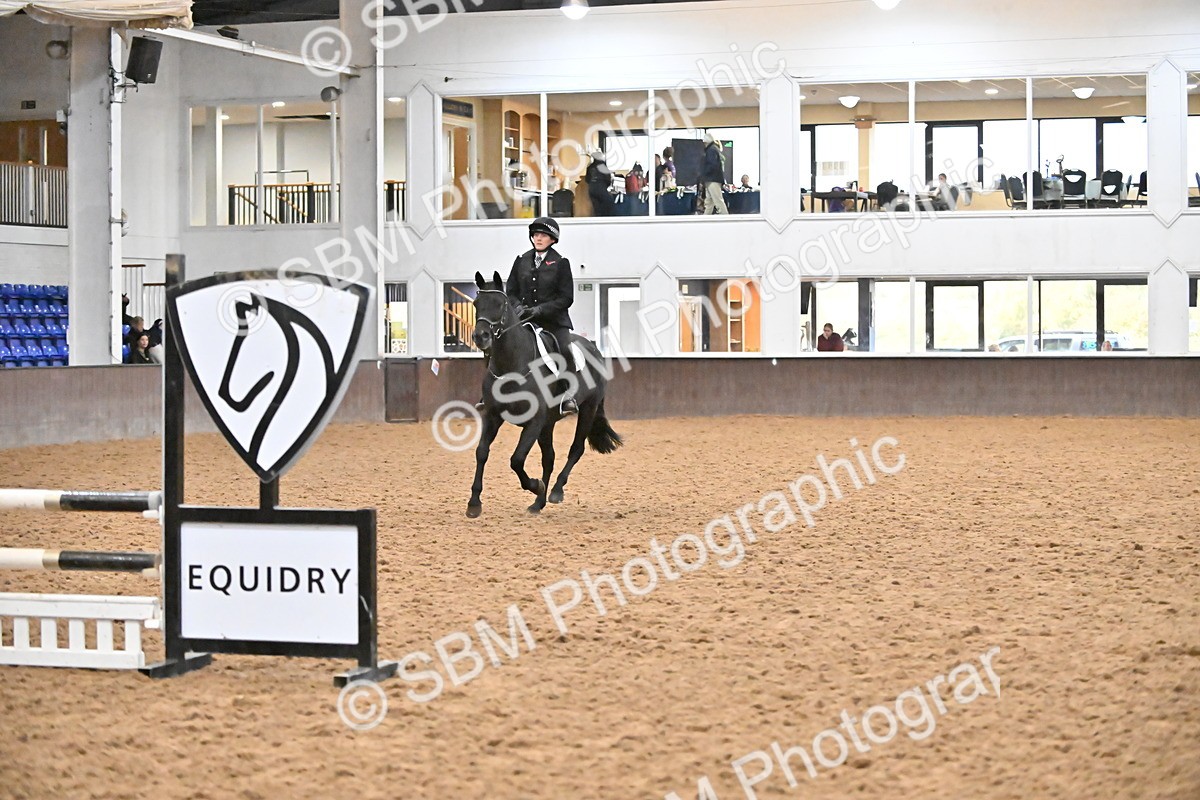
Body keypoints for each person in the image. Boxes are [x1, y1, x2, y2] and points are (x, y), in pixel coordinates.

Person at [478, 217, 578, 415]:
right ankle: (489, 393)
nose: (538, 238)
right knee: (497, 345)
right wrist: (518, 307)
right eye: (535, 235)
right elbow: (511, 291)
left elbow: (566, 298)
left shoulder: (561, 263)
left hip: (553, 321)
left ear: (552, 239)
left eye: (543, 235)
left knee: (565, 348)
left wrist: (540, 310)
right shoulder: (521, 261)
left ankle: (567, 395)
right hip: (524, 320)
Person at [700, 134, 728, 214]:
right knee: (709, 201)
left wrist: (704, 176)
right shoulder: (715, 149)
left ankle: (726, 218)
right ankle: (706, 218)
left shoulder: (711, 150)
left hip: (712, 179)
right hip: (713, 179)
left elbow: (712, 165)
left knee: (717, 201)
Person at [584, 150, 614, 217]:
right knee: (609, 202)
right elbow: (608, 178)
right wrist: (607, 186)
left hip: (591, 188)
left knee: (596, 207)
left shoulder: (590, 167)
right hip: (600, 187)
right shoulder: (602, 166)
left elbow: (587, 179)